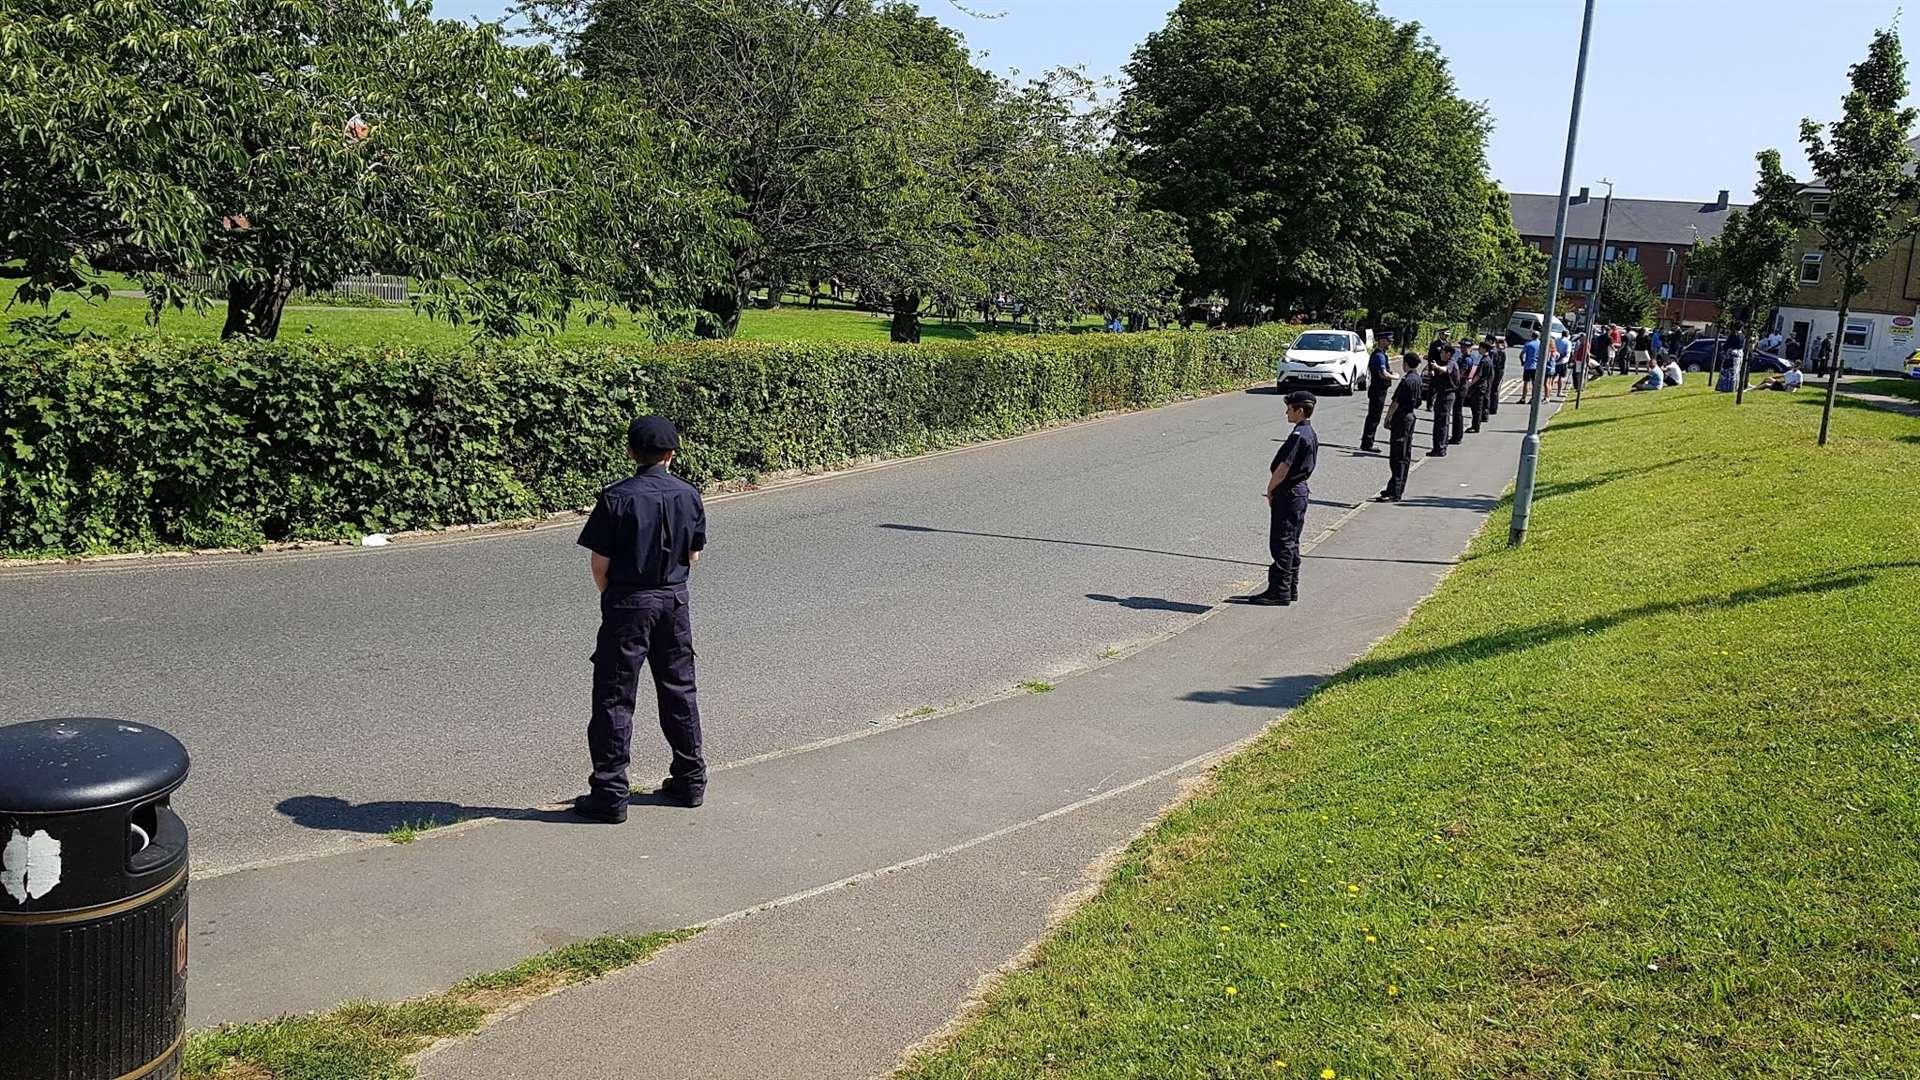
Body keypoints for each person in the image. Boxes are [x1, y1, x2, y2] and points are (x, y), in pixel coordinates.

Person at [573, 415, 709, 823]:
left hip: (629, 600)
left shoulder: (617, 497)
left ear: (631, 451)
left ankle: (611, 793)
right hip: (673, 599)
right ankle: (689, 780)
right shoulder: (689, 495)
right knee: (679, 689)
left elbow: (600, 565)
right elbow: (693, 556)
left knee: (615, 695)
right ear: (672, 453)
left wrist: (617, 598)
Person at [1236, 391, 1318, 606]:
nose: (1286, 412)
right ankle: (1290, 587)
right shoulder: (1309, 432)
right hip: (1299, 492)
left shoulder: (1298, 435)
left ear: (1299, 410)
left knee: (1281, 542)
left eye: (1289, 408)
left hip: (1288, 492)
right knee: (1292, 542)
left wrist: (1271, 489)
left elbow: (1283, 468)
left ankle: (1279, 591)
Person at [1377, 354, 1424, 502]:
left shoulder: (1406, 381)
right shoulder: (1417, 379)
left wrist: (1387, 417)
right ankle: (1395, 487)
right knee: (1405, 454)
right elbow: (1419, 401)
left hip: (1401, 418)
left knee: (1397, 456)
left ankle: (1395, 492)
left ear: (1406, 364)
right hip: (1410, 416)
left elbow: (1395, 402)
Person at [1359, 334, 1394, 452]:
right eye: (1388, 341)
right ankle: (1367, 443)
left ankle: (1367, 441)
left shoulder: (1381, 354)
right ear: (1382, 341)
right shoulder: (1379, 356)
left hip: (1378, 389)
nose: (1390, 344)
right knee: (1374, 417)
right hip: (1378, 390)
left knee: (1374, 416)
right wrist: (1394, 376)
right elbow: (1383, 374)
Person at [1427, 344, 1458, 456]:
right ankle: (1439, 447)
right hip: (1442, 394)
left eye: (1442, 352)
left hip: (1447, 395)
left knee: (1442, 422)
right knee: (1439, 422)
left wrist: (1437, 367)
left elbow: (1446, 370)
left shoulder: (1451, 363)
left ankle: (1440, 449)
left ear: (1448, 354)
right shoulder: (1444, 362)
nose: (1440, 354)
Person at [1483, 334, 1506, 416]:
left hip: (1495, 373)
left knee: (1490, 391)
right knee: (1494, 391)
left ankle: (1488, 409)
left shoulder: (1492, 352)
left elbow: (1491, 364)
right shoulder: (1498, 351)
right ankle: (1493, 408)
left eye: (1486, 340)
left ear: (1490, 341)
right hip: (1498, 373)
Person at [1519, 331, 1541, 403]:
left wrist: (1522, 362)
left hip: (1528, 366)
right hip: (1537, 367)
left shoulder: (1528, 344)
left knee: (1526, 383)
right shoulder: (1541, 344)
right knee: (1534, 384)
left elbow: (1521, 354)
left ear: (1532, 336)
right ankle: (1533, 399)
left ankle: (1523, 398)